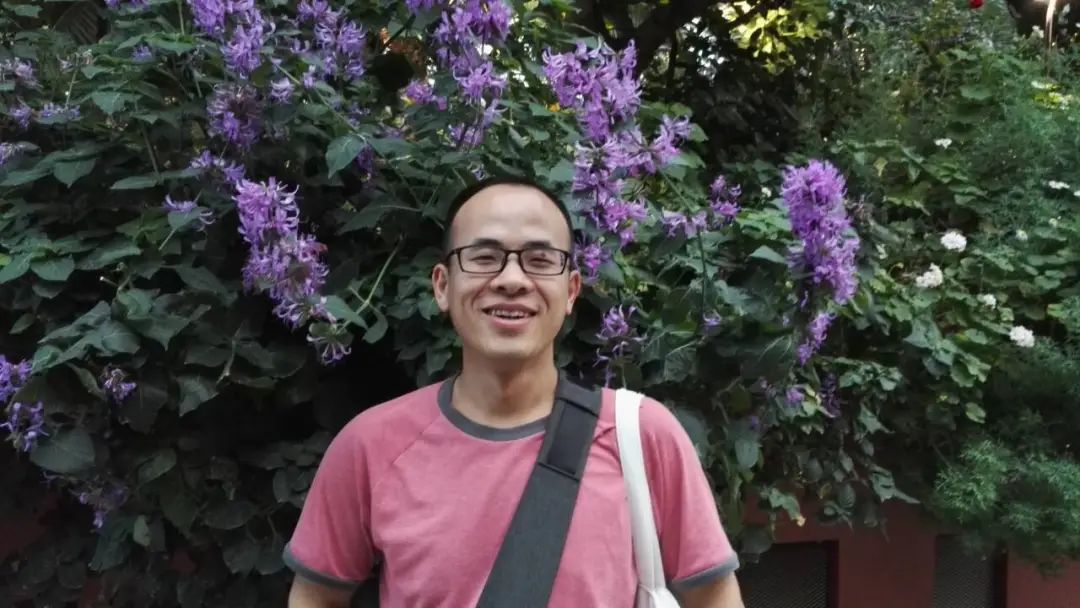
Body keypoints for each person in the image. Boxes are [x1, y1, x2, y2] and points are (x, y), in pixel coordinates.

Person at [284, 176, 744, 607]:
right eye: (484, 257)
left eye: (540, 260)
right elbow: (315, 597)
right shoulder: (370, 446)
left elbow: (714, 596)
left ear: (571, 291)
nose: (512, 279)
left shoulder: (640, 435)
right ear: (443, 286)